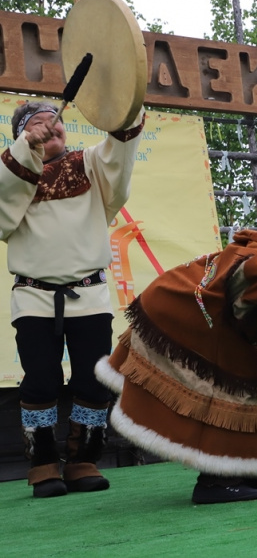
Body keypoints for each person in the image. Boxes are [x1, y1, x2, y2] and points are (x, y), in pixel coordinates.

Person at [95, 226, 257, 504]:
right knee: (223, 391)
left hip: (228, 329)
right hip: (185, 320)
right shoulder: (254, 254)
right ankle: (215, 480)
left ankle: (253, 469)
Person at [1, 101, 145, 498]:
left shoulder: (90, 164)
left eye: (55, 121)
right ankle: (43, 463)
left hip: (90, 294)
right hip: (33, 296)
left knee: (92, 380)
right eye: (37, 124)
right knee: (41, 379)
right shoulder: (13, 173)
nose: (51, 127)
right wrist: (24, 151)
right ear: (21, 135)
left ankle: (84, 460)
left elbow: (120, 153)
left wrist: (125, 103)